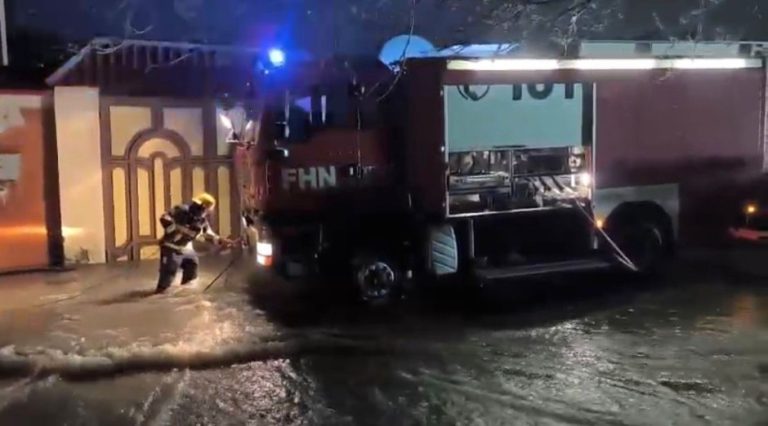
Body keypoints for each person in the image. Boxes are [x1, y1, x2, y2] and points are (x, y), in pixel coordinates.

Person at [155, 193, 233, 293]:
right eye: (209, 208)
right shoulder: (181, 210)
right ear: (204, 206)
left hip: (187, 250)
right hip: (171, 249)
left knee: (192, 268)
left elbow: (207, 235)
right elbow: (164, 218)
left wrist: (222, 241)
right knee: (167, 278)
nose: (210, 211)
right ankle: (159, 295)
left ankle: (184, 295)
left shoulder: (202, 221)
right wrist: (179, 229)